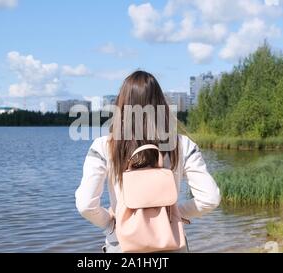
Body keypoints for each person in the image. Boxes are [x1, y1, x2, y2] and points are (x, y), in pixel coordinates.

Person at [75, 71, 221, 253]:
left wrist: (111, 222)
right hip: (170, 241)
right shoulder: (183, 145)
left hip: (121, 244)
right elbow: (210, 198)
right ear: (161, 103)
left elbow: (86, 204)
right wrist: (176, 213)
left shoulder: (103, 145)